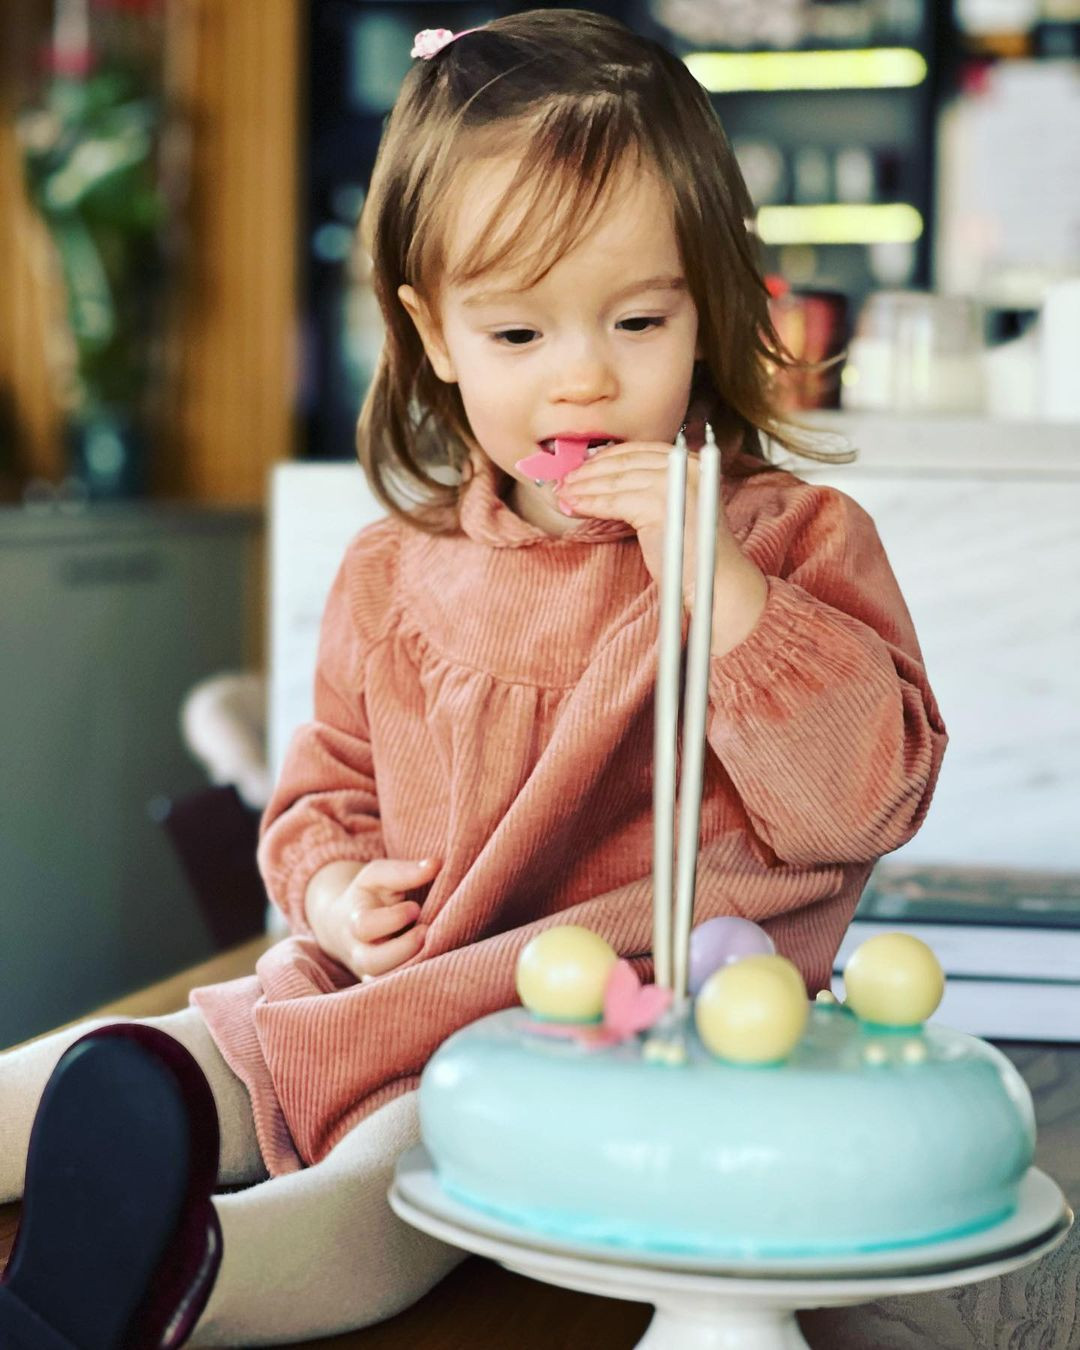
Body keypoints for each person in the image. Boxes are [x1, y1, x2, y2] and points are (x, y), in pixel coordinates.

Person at [0, 10, 948, 1346]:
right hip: (363, 991)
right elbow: (322, 795)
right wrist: (336, 891)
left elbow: (862, 799)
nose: (585, 378)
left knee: (401, 1177)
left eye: (638, 318)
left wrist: (719, 582)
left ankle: (147, 1290)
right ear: (433, 332)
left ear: (711, 304)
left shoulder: (794, 546)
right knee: (141, 1055)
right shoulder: (397, 570)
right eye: (517, 335)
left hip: (595, 1046)